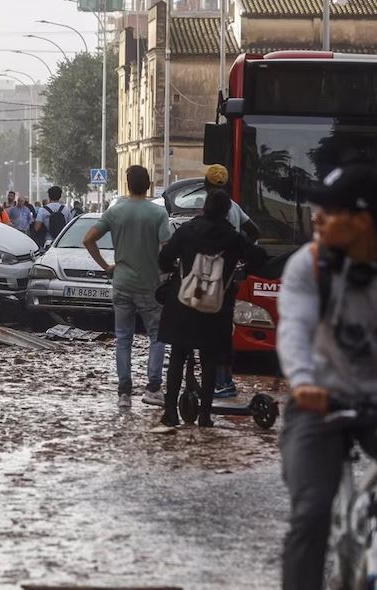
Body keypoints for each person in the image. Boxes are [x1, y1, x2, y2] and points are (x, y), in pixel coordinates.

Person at [277, 164, 377, 590]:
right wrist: (302, 381)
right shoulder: (309, 265)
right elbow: (293, 328)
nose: (316, 217)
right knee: (311, 512)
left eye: (330, 211)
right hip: (318, 401)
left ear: (363, 221)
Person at [156, 189, 266, 427]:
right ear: (227, 211)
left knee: (177, 356)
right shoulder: (233, 237)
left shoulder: (186, 231)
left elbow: (164, 258)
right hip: (216, 307)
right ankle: (205, 416)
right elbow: (259, 257)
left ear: (204, 207)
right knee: (209, 359)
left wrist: (180, 267)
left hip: (183, 304)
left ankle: (171, 413)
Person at [83, 166, 172, 408]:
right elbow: (167, 245)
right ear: (149, 185)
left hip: (120, 282)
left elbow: (88, 239)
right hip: (149, 285)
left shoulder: (115, 211)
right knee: (156, 336)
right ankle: (153, 388)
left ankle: (124, 393)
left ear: (127, 184)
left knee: (123, 338)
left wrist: (106, 266)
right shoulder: (158, 214)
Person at [203, 164, 262, 398]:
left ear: (206, 185)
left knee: (212, 332)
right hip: (229, 278)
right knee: (223, 330)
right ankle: (223, 380)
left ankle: (220, 382)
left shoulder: (215, 210)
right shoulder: (235, 207)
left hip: (212, 279)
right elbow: (254, 230)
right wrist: (242, 256)